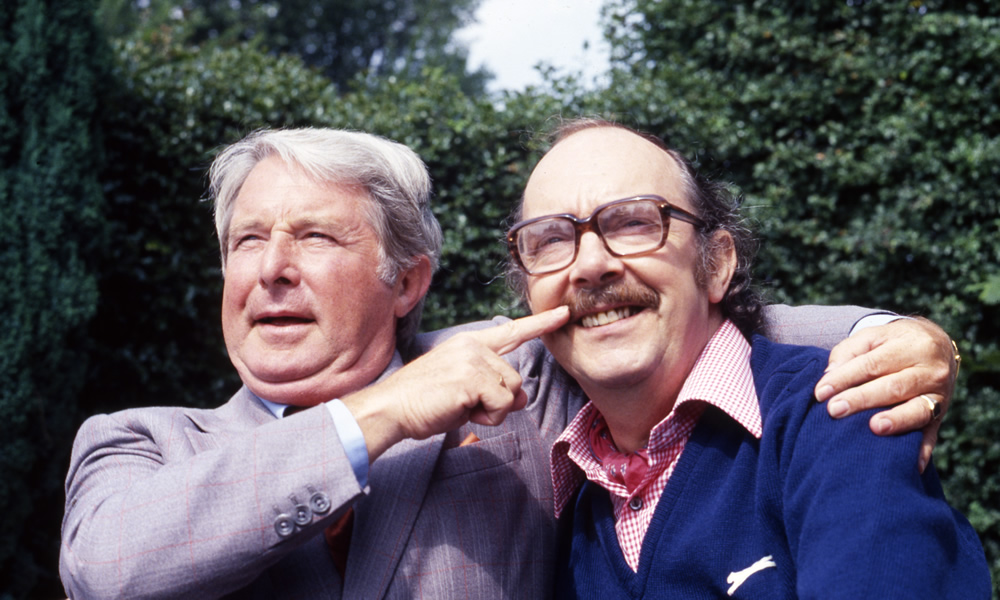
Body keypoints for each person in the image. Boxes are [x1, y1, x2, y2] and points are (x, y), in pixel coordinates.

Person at [60, 128, 961, 599]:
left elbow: (650, 314)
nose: (271, 268)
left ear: (408, 279)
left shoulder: (514, 378)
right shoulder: (139, 445)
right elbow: (110, 570)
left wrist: (892, 331)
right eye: (246, 241)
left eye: (315, 237)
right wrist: (382, 414)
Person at [497, 120, 989, 597]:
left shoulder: (838, 411)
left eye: (633, 222)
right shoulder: (571, 510)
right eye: (551, 240)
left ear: (717, 265)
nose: (590, 265)